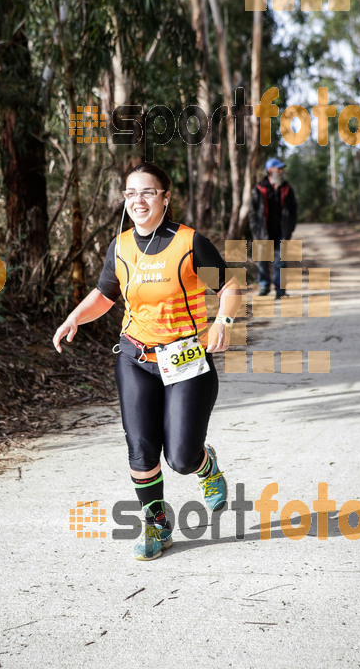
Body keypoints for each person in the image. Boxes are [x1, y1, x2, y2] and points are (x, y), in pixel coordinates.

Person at [53, 162, 242, 561]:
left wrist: (223, 320)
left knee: (180, 457)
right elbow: (105, 296)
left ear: (165, 198)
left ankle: (205, 467)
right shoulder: (120, 246)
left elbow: (228, 287)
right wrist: (73, 317)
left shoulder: (189, 242)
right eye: (131, 193)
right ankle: (156, 526)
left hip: (187, 359)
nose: (138, 200)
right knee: (140, 449)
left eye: (148, 192)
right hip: (136, 357)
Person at [248, 157, 297, 298]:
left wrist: (290, 229)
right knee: (262, 262)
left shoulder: (287, 189)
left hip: (281, 232)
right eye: (278, 168)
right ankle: (264, 287)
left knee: (280, 262)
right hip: (263, 232)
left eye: (282, 169)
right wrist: (256, 231)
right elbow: (252, 212)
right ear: (270, 170)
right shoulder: (259, 188)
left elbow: (293, 210)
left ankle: (280, 291)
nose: (281, 171)